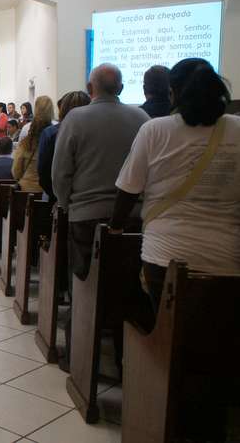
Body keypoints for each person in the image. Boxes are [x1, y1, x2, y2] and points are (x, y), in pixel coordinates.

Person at [110, 58, 240, 307]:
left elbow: (127, 190)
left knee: (168, 329)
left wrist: (115, 230)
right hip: (226, 256)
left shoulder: (155, 129)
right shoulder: (237, 129)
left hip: (166, 253)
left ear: (174, 93)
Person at [51, 63, 149, 372]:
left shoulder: (76, 118)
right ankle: (126, 360)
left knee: (82, 285)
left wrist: (67, 204)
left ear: (90, 88)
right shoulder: (141, 118)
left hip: (85, 216)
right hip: (132, 219)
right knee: (127, 288)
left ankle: (78, 357)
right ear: (120, 88)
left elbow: (60, 171)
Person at [38, 91, 91, 201]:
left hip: (58, 197)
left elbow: (43, 172)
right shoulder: (96, 132)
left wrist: (58, 198)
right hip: (87, 196)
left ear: (63, 109)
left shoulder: (50, 133)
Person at [12, 95, 54, 192]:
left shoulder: (26, 129)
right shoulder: (58, 128)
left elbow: (16, 170)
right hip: (50, 190)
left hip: (28, 189)